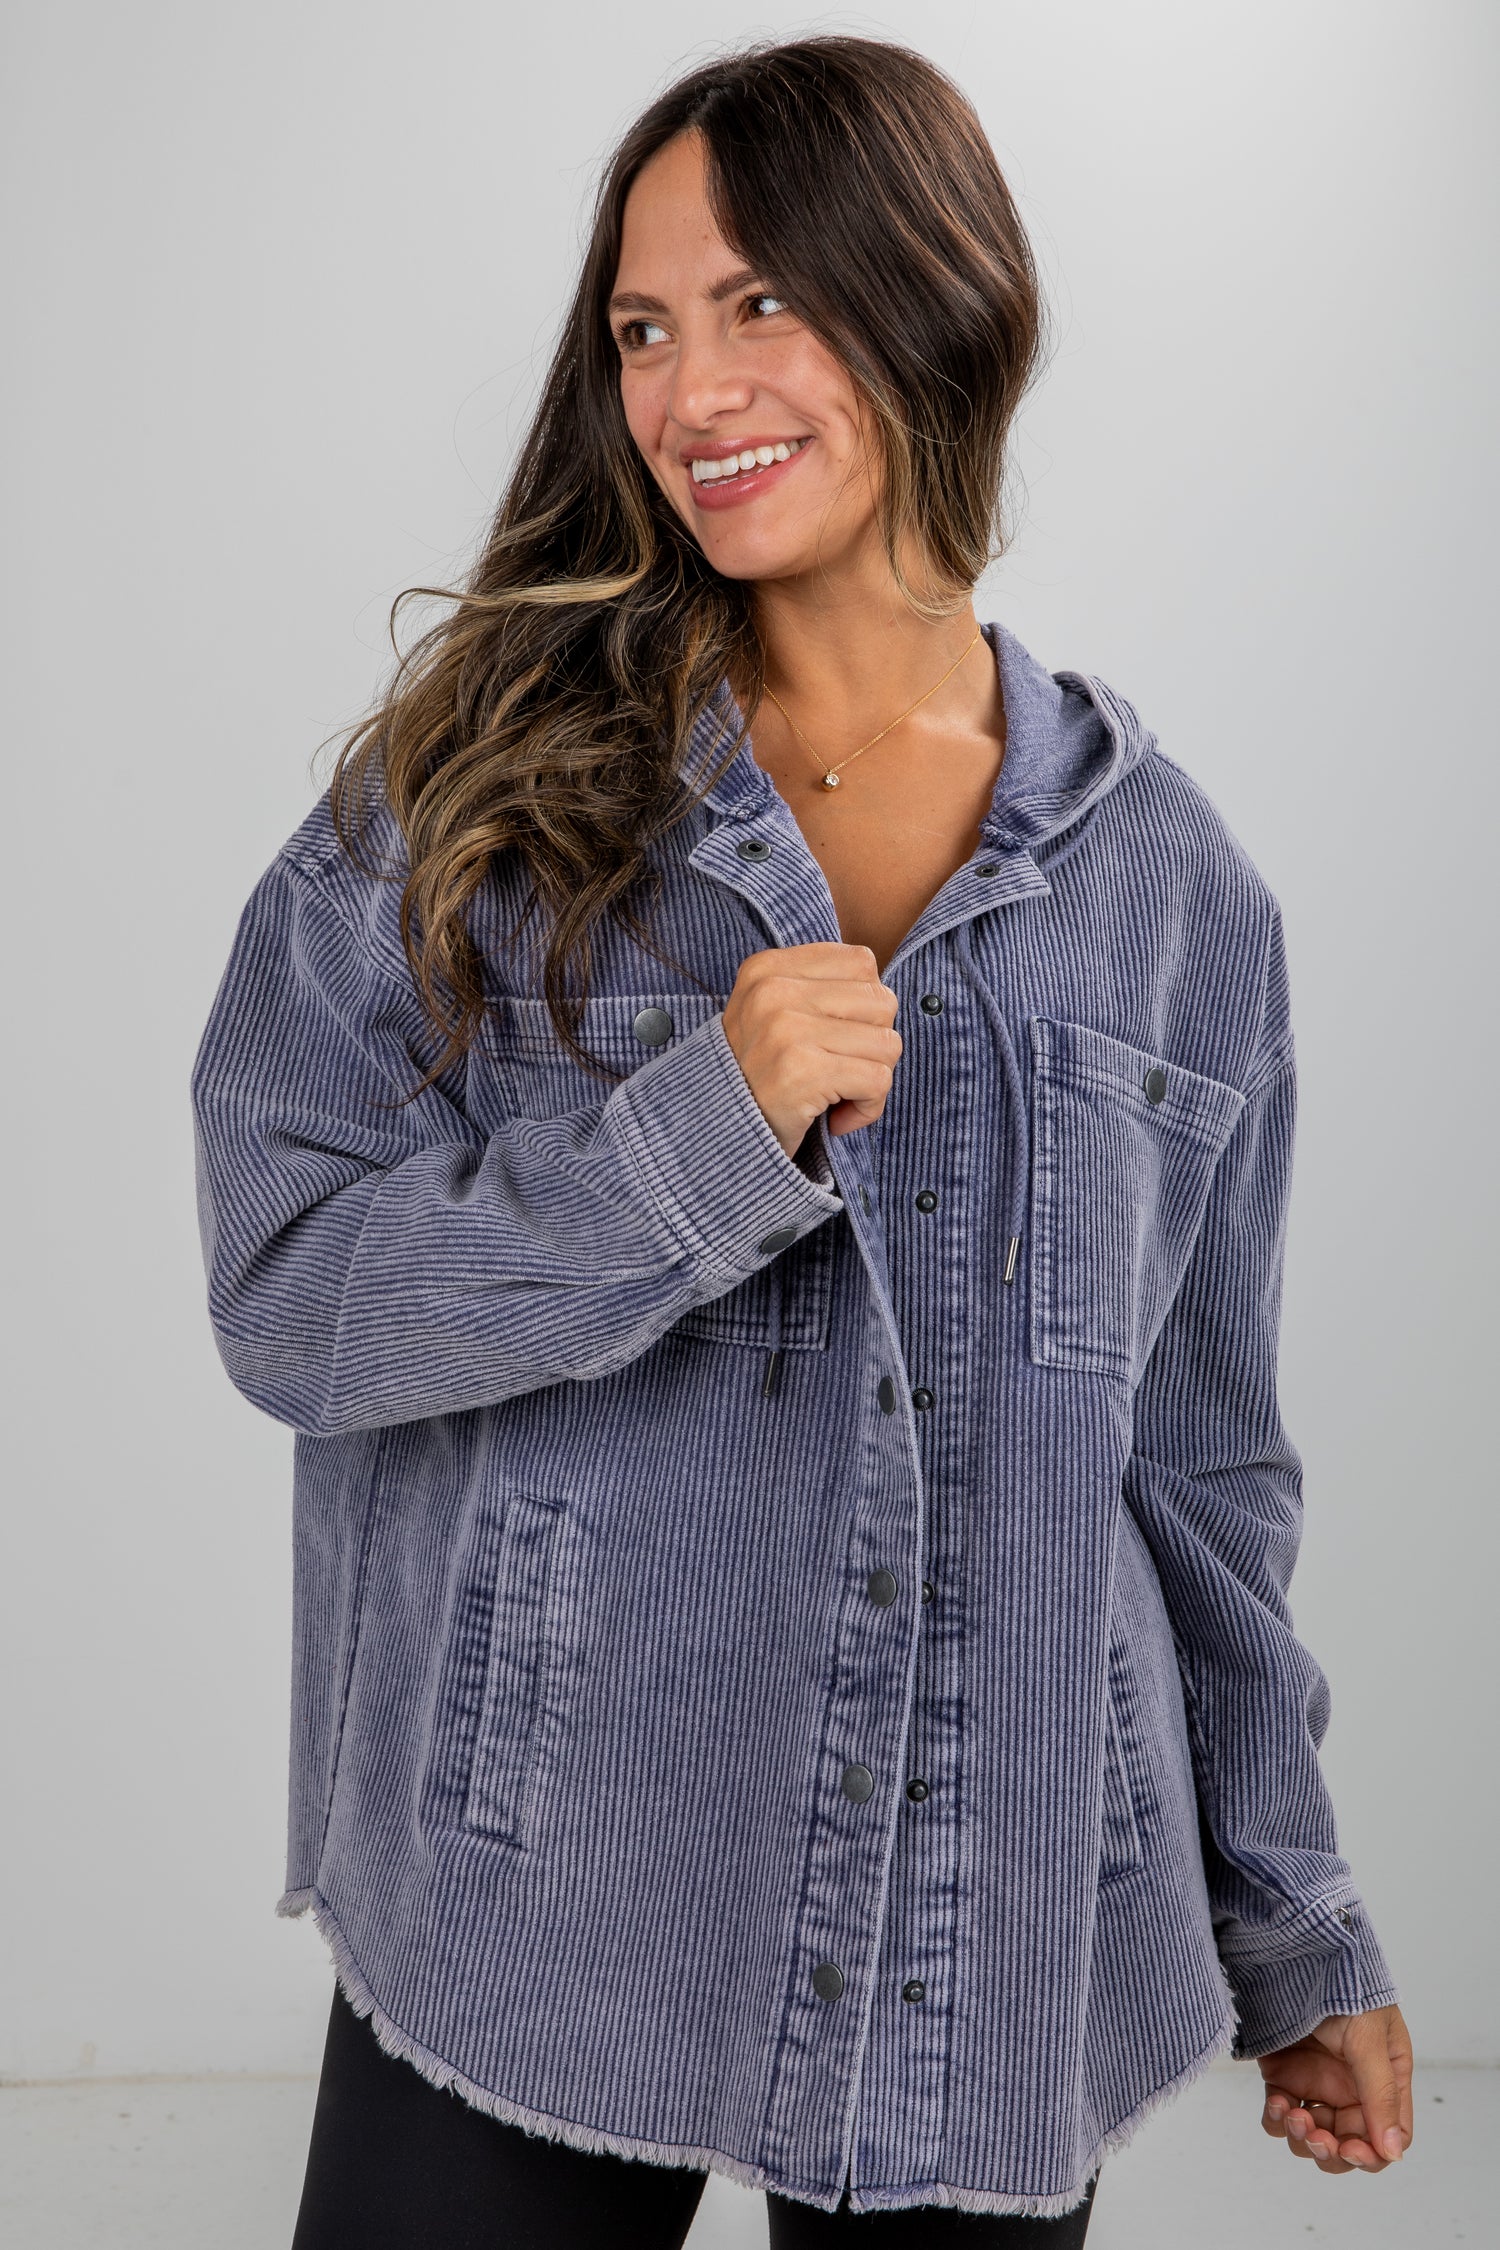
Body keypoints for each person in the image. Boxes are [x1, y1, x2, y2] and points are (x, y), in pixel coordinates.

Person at [190, 35, 1414, 2248]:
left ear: (942, 289)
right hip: (542, 1892)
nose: (684, 389)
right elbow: (286, 1294)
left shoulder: (1176, 902)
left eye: (758, 302)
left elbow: (1205, 1468)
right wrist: (686, 1147)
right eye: (643, 328)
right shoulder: (475, 795)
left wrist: (1298, 1922)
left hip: (989, 1901)